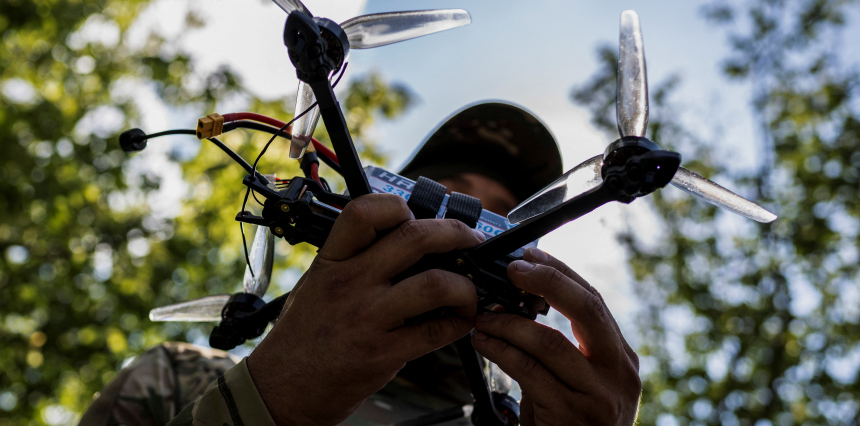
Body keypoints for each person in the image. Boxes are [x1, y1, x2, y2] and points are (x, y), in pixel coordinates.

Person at [79, 102, 642, 426]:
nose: (472, 230)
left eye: (501, 221)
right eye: (449, 198)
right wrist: (273, 395)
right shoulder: (175, 380)